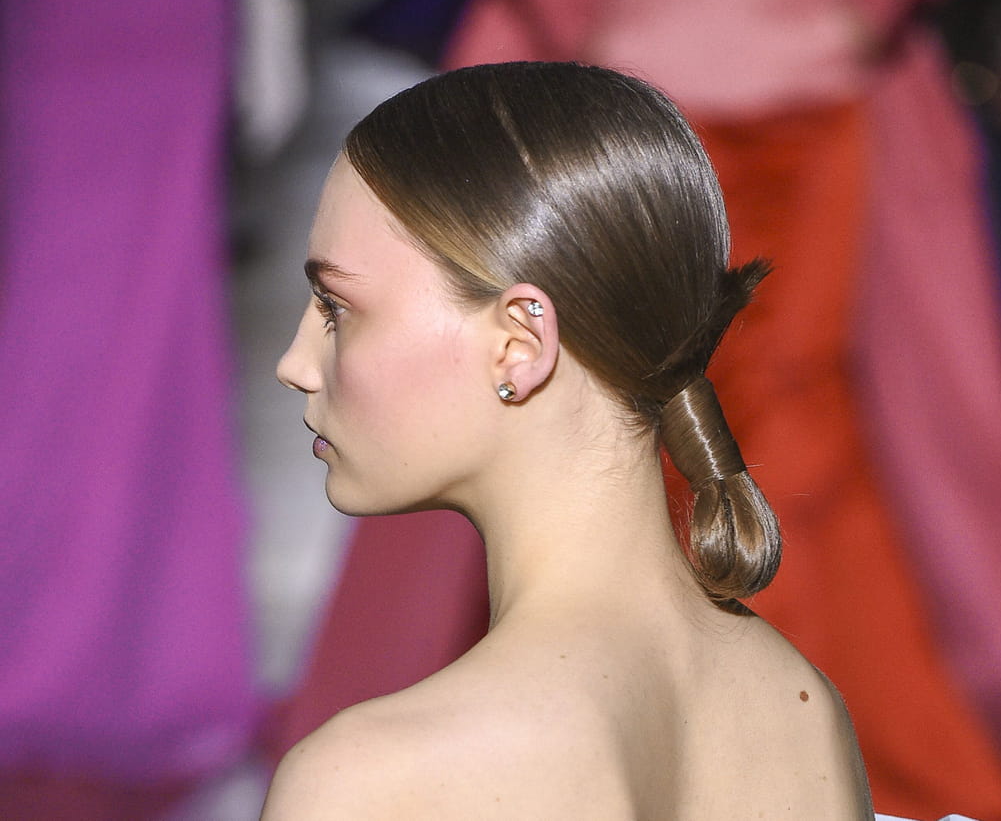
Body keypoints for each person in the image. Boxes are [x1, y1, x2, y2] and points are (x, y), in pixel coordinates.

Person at [262, 61, 879, 818]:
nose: (295, 365)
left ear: (519, 345)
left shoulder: (373, 780)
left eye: (335, 307)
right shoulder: (804, 709)